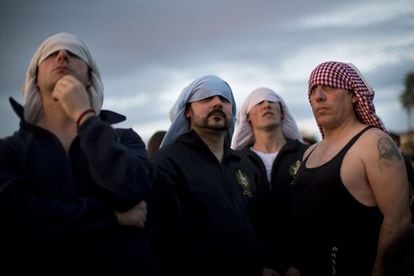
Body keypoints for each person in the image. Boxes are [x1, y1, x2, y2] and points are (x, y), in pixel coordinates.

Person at [0, 33, 157, 275]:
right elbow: (18, 218)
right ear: (35, 79)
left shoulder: (123, 139)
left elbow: (133, 189)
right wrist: (111, 216)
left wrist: (85, 116)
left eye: (74, 53)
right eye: (50, 54)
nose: (62, 56)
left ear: (89, 79)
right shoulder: (10, 151)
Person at [291, 61, 412, 276]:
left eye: (328, 87)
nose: (318, 97)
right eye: (313, 91)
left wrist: (379, 268)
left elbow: (398, 218)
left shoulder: (373, 142)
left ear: (354, 94)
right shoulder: (310, 152)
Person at [147, 75, 263, 276]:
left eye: (224, 99)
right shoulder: (166, 163)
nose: (217, 102)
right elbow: (161, 240)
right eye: (206, 98)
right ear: (187, 111)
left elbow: (260, 222)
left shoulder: (244, 164)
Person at [232, 87, 308, 276]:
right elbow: (236, 222)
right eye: (259, 102)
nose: (266, 104)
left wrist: (302, 264)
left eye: (272, 101)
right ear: (248, 116)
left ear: (282, 112)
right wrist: (257, 268)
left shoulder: (307, 155)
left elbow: (318, 213)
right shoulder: (237, 163)